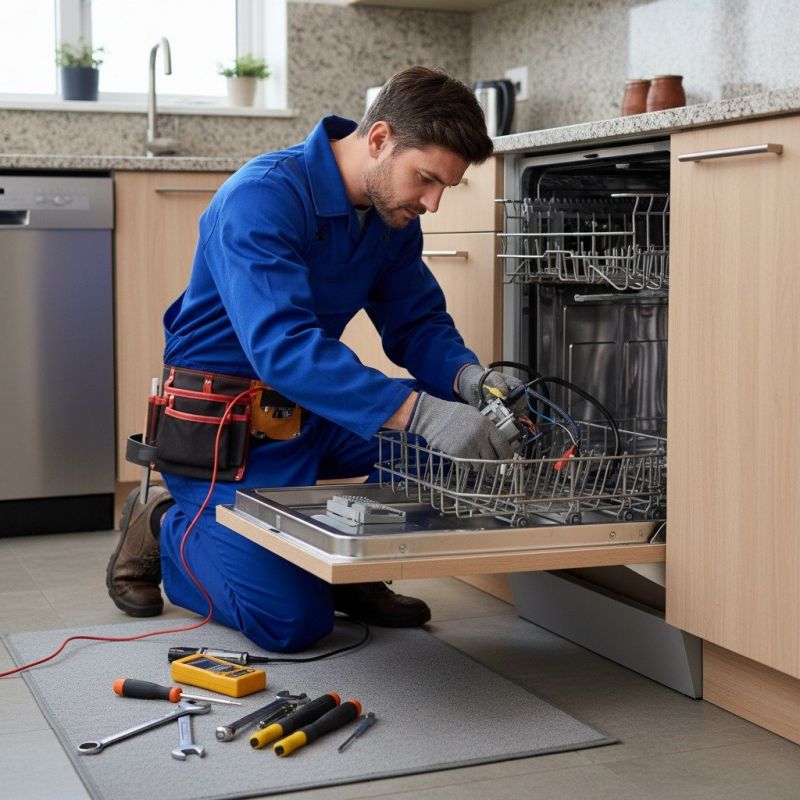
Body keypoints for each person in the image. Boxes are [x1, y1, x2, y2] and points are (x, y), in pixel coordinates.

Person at [107, 65, 520, 652]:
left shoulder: (391, 216)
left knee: (455, 439)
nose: (431, 202)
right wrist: (420, 412)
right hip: (230, 429)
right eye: (425, 179)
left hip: (310, 406)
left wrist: (466, 378)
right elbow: (284, 347)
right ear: (378, 140)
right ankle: (167, 525)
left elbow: (416, 321)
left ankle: (349, 571)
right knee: (291, 623)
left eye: (443, 189)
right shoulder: (261, 197)